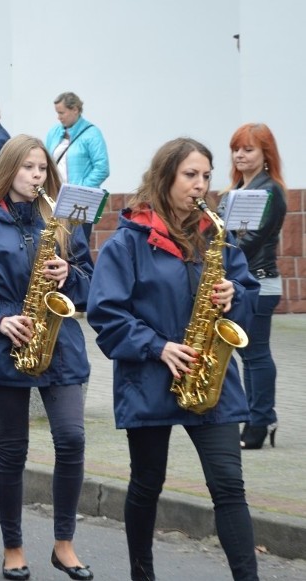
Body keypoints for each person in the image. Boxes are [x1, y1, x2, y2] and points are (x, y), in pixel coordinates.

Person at [87, 137, 260, 581]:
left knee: (229, 486)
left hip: (212, 377)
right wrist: (157, 346)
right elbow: (106, 314)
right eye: (190, 175)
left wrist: (234, 294)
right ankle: (141, 573)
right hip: (149, 376)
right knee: (147, 483)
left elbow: (248, 297)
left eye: (205, 175)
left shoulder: (214, 235)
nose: (200, 185)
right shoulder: (127, 242)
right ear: (164, 178)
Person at [0, 135, 94, 581]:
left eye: (42, 169)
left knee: (71, 439)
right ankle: (13, 547)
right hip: (7, 343)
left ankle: (64, 544)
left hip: (61, 341)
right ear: (9, 171)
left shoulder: (65, 220)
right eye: (28, 168)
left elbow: (93, 286)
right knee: (13, 450)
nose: (37, 176)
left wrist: (70, 275)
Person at [221, 123, 287, 450]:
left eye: (248, 149)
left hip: (260, 282)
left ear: (265, 155)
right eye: (236, 149)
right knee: (246, 352)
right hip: (241, 282)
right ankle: (256, 415)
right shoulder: (237, 189)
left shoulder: (270, 190)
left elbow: (251, 240)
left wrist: (218, 260)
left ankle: (260, 421)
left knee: (255, 353)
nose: (240, 155)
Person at [44, 92, 109, 241]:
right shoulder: (54, 132)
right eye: (57, 113)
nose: (58, 117)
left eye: (61, 112)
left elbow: (102, 168)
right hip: (56, 199)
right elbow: (46, 161)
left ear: (75, 109)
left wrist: (80, 189)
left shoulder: (92, 133)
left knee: (77, 246)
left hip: (80, 201)